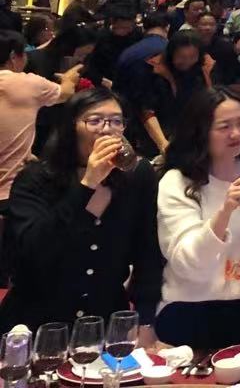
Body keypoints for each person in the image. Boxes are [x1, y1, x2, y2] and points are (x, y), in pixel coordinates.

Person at [0, 88, 162, 332]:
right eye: (95, 121)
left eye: (116, 121)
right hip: (39, 322)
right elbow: (33, 252)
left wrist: (146, 320)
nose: (107, 130)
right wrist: (87, 184)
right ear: (70, 127)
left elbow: (147, 252)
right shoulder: (35, 178)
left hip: (105, 320)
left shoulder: (137, 177)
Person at [155, 87, 240, 348]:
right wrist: (225, 211)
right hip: (188, 307)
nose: (236, 133)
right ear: (200, 130)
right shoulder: (178, 181)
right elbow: (187, 262)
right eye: (224, 126)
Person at [0, 28, 79, 205]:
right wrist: (68, 78)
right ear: (13, 57)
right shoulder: (27, 83)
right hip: (11, 191)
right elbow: (66, 93)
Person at [138, 30, 214, 157]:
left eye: (192, 56)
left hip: (196, 132)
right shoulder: (155, 70)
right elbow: (147, 110)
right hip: (164, 131)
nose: (187, 61)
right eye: (181, 56)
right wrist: (163, 143)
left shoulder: (205, 67)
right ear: (171, 53)